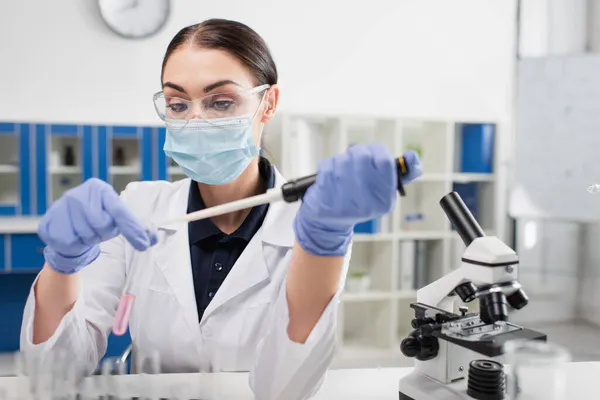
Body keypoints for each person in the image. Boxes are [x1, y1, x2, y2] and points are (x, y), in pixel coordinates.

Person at [20, 19, 422, 400]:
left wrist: (322, 246)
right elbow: (53, 374)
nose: (195, 120)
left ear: (268, 102)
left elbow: (285, 391)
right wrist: (62, 266)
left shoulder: (314, 226)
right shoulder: (140, 208)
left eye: (220, 102)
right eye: (178, 104)